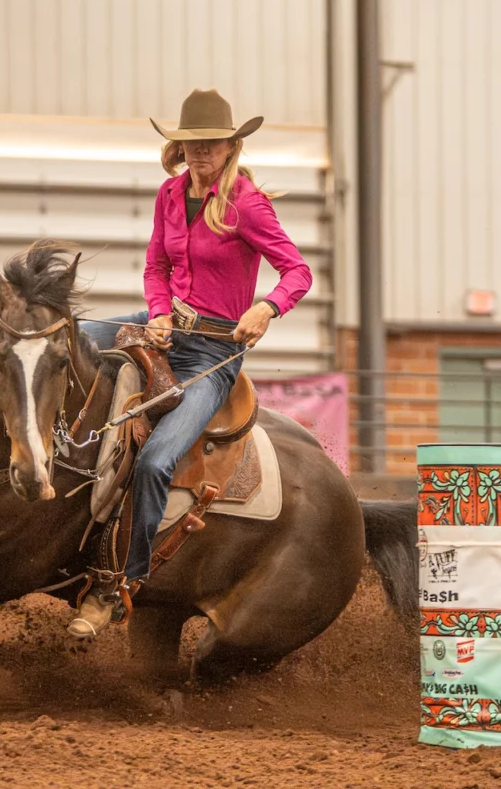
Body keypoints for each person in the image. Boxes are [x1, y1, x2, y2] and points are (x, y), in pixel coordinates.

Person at [68, 88, 313, 638]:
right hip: (167, 326)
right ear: (180, 147)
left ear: (230, 147)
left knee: (156, 461)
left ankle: (122, 585)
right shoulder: (170, 194)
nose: (200, 152)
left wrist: (267, 307)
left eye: (211, 144)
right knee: (74, 340)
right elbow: (156, 264)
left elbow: (297, 271)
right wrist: (156, 312)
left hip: (213, 350)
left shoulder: (247, 205)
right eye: (191, 143)